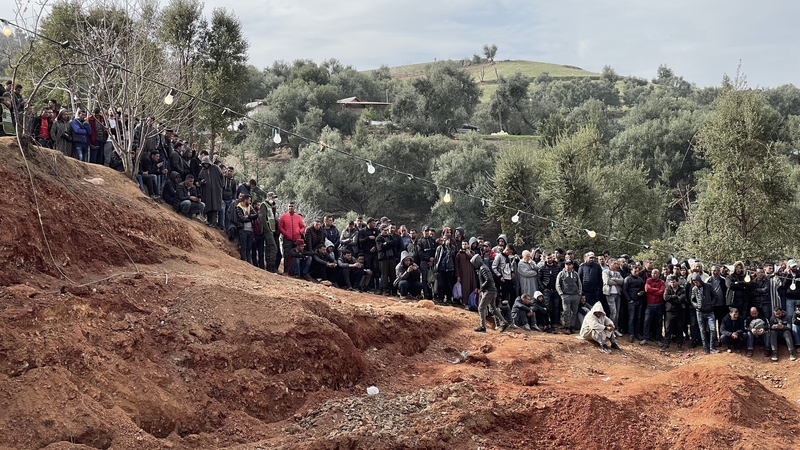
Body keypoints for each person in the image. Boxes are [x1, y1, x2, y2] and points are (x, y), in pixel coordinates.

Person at [471, 254, 509, 333]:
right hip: (492, 291)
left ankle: (483, 327)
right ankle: (504, 322)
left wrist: (482, 288)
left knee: (481, 308)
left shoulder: (483, 268)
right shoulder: (484, 267)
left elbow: (488, 280)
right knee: (493, 309)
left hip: (489, 291)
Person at [690, 274, 718, 354]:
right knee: (702, 330)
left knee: (712, 329)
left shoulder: (708, 286)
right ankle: (706, 348)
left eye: (696, 282)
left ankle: (712, 347)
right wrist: (696, 306)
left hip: (710, 311)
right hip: (700, 312)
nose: (696, 284)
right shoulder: (694, 289)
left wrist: (711, 305)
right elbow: (692, 300)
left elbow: (715, 296)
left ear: (700, 280)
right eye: (694, 282)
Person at [278, 202, 306, 274]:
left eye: (292, 206)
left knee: (297, 255)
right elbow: (280, 227)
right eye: (289, 206)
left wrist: (300, 232)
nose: (290, 207)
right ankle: (286, 271)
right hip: (287, 239)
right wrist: (285, 233)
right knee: (287, 255)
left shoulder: (298, 217)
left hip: (297, 240)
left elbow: (303, 226)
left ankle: (296, 271)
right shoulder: (283, 216)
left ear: (294, 207)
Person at [556, 259, 582, 334]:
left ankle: (572, 326)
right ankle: (567, 327)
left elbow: (579, 284)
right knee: (566, 312)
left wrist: (579, 294)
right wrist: (561, 294)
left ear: (572, 265)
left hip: (575, 295)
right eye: (566, 264)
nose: (568, 266)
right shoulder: (561, 274)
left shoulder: (575, 274)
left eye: (569, 264)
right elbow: (558, 284)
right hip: (566, 295)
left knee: (574, 312)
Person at [661, 276, 686, 352]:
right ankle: (666, 344)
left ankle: (679, 345)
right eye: (671, 282)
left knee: (679, 328)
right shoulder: (668, 289)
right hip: (669, 312)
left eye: (674, 282)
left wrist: (671, 299)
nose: (672, 283)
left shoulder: (682, 289)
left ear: (677, 282)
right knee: (668, 329)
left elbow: (681, 299)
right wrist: (675, 296)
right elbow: (665, 298)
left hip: (679, 312)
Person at [198, 155, 224, 227]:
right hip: (207, 191)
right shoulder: (202, 171)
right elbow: (199, 179)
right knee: (208, 206)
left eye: (206, 163)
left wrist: (221, 185)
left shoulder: (216, 168)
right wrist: (202, 182)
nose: (205, 165)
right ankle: (209, 221)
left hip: (216, 190)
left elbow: (222, 176)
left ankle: (214, 223)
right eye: (204, 164)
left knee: (215, 207)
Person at [642, 269, 665, 346]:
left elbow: (661, 292)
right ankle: (645, 338)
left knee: (658, 323)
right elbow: (646, 289)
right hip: (650, 305)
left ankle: (658, 339)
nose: (653, 275)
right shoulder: (648, 280)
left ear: (658, 274)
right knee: (646, 321)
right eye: (652, 273)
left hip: (659, 305)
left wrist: (652, 290)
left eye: (655, 273)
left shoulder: (662, 282)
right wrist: (656, 290)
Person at [623, 266, 645, 342]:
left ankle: (637, 333)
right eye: (635, 271)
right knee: (631, 318)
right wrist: (629, 300)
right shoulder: (628, 279)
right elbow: (624, 290)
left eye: (637, 271)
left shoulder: (640, 279)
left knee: (638, 318)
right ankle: (631, 334)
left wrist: (641, 293)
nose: (636, 273)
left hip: (639, 301)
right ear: (631, 271)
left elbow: (643, 289)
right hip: (631, 301)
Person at [257, 196, 279, 273]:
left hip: (271, 229)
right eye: (272, 198)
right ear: (268, 197)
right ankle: (271, 266)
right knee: (274, 247)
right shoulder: (264, 204)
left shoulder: (270, 206)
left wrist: (274, 207)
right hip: (267, 229)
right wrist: (266, 229)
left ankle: (269, 267)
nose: (273, 199)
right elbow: (262, 217)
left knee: (269, 247)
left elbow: (272, 216)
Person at [235, 194, 258, 263]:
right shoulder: (238, 207)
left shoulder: (250, 207)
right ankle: (244, 262)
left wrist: (248, 217)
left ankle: (249, 262)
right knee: (243, 247)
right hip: (243, 230)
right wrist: (251, 218)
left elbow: (256, 215)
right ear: (245, 200)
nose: (250, 202)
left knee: (249, 248)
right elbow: (241, 219)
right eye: (249, 200)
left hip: (250, 230)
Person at [602, 260, 624, 330]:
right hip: (609, 294)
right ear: (609, 264)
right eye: (615, 263)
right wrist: (617, 282)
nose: (617, 265)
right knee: (613, 312)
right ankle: (611, 328)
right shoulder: (605, 271)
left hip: (618, 294)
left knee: (617, 312)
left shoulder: (617, 273)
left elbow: (622, 281)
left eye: (617, 263)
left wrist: (614, 279)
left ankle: (616, 328)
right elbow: (607, 281)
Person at [434, 235, 456, 304]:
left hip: (449, 268)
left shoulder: (452, 248)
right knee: (441, 284)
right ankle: (441, 298)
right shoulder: (439, 248)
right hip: (441, 268)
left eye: (446, 239)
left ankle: (449, 299)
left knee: (449, 284)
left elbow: (451, 255)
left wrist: (448, 247)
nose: (444, 240)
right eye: (443, 239)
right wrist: (436, 268)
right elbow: (436, 258)